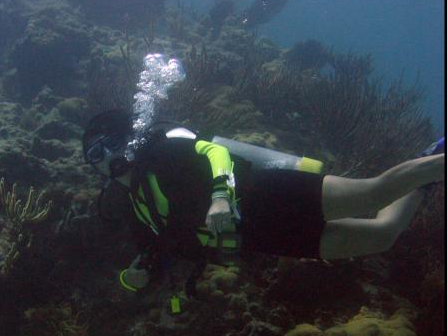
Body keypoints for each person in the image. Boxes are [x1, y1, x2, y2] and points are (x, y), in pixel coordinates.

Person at [81, 109, 445, 296]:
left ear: (129, 138)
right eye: (96, 154)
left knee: (374, 194)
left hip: (267, 193)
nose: (108, 156)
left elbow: (215, 152)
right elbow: (155, 252)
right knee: (382, 236)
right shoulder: (135, 206)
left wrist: (220, 196)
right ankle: (427, 169)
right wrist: (135, 276)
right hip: (262, 238)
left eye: (112, 143)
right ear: (94, 167)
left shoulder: (160, 153)